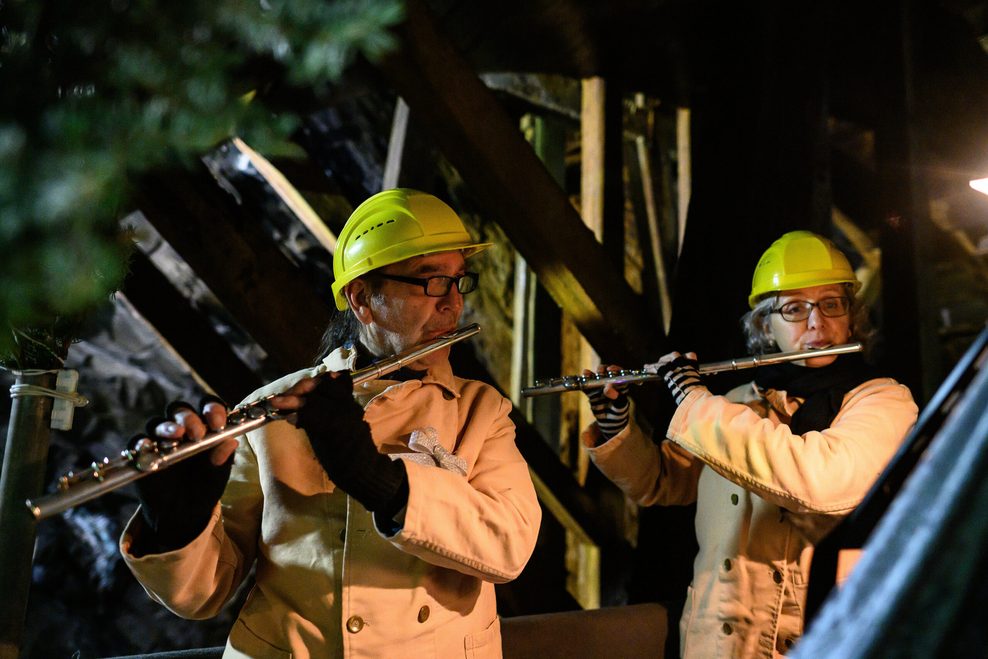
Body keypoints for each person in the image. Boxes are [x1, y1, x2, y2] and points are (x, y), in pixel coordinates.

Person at [119, 189, 542, 658]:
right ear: (362, 299)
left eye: (458, 282)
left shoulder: (481, 411)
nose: (452, 305)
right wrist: (180, 527)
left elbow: (511, 544)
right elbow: (204, 594)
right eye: (431, 282)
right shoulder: (271, 411)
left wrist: (381, 481)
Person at [581, 230, 918, 658]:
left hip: (813, 640)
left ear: (851, 316)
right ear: (765, 326)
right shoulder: (740, 403)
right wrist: (616, 425)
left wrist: (693, 400)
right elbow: (666, 482)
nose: (816, 323)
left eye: (831, 304)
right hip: (715, 643)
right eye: (794, 309)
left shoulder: (882, 400)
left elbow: (820, 480)